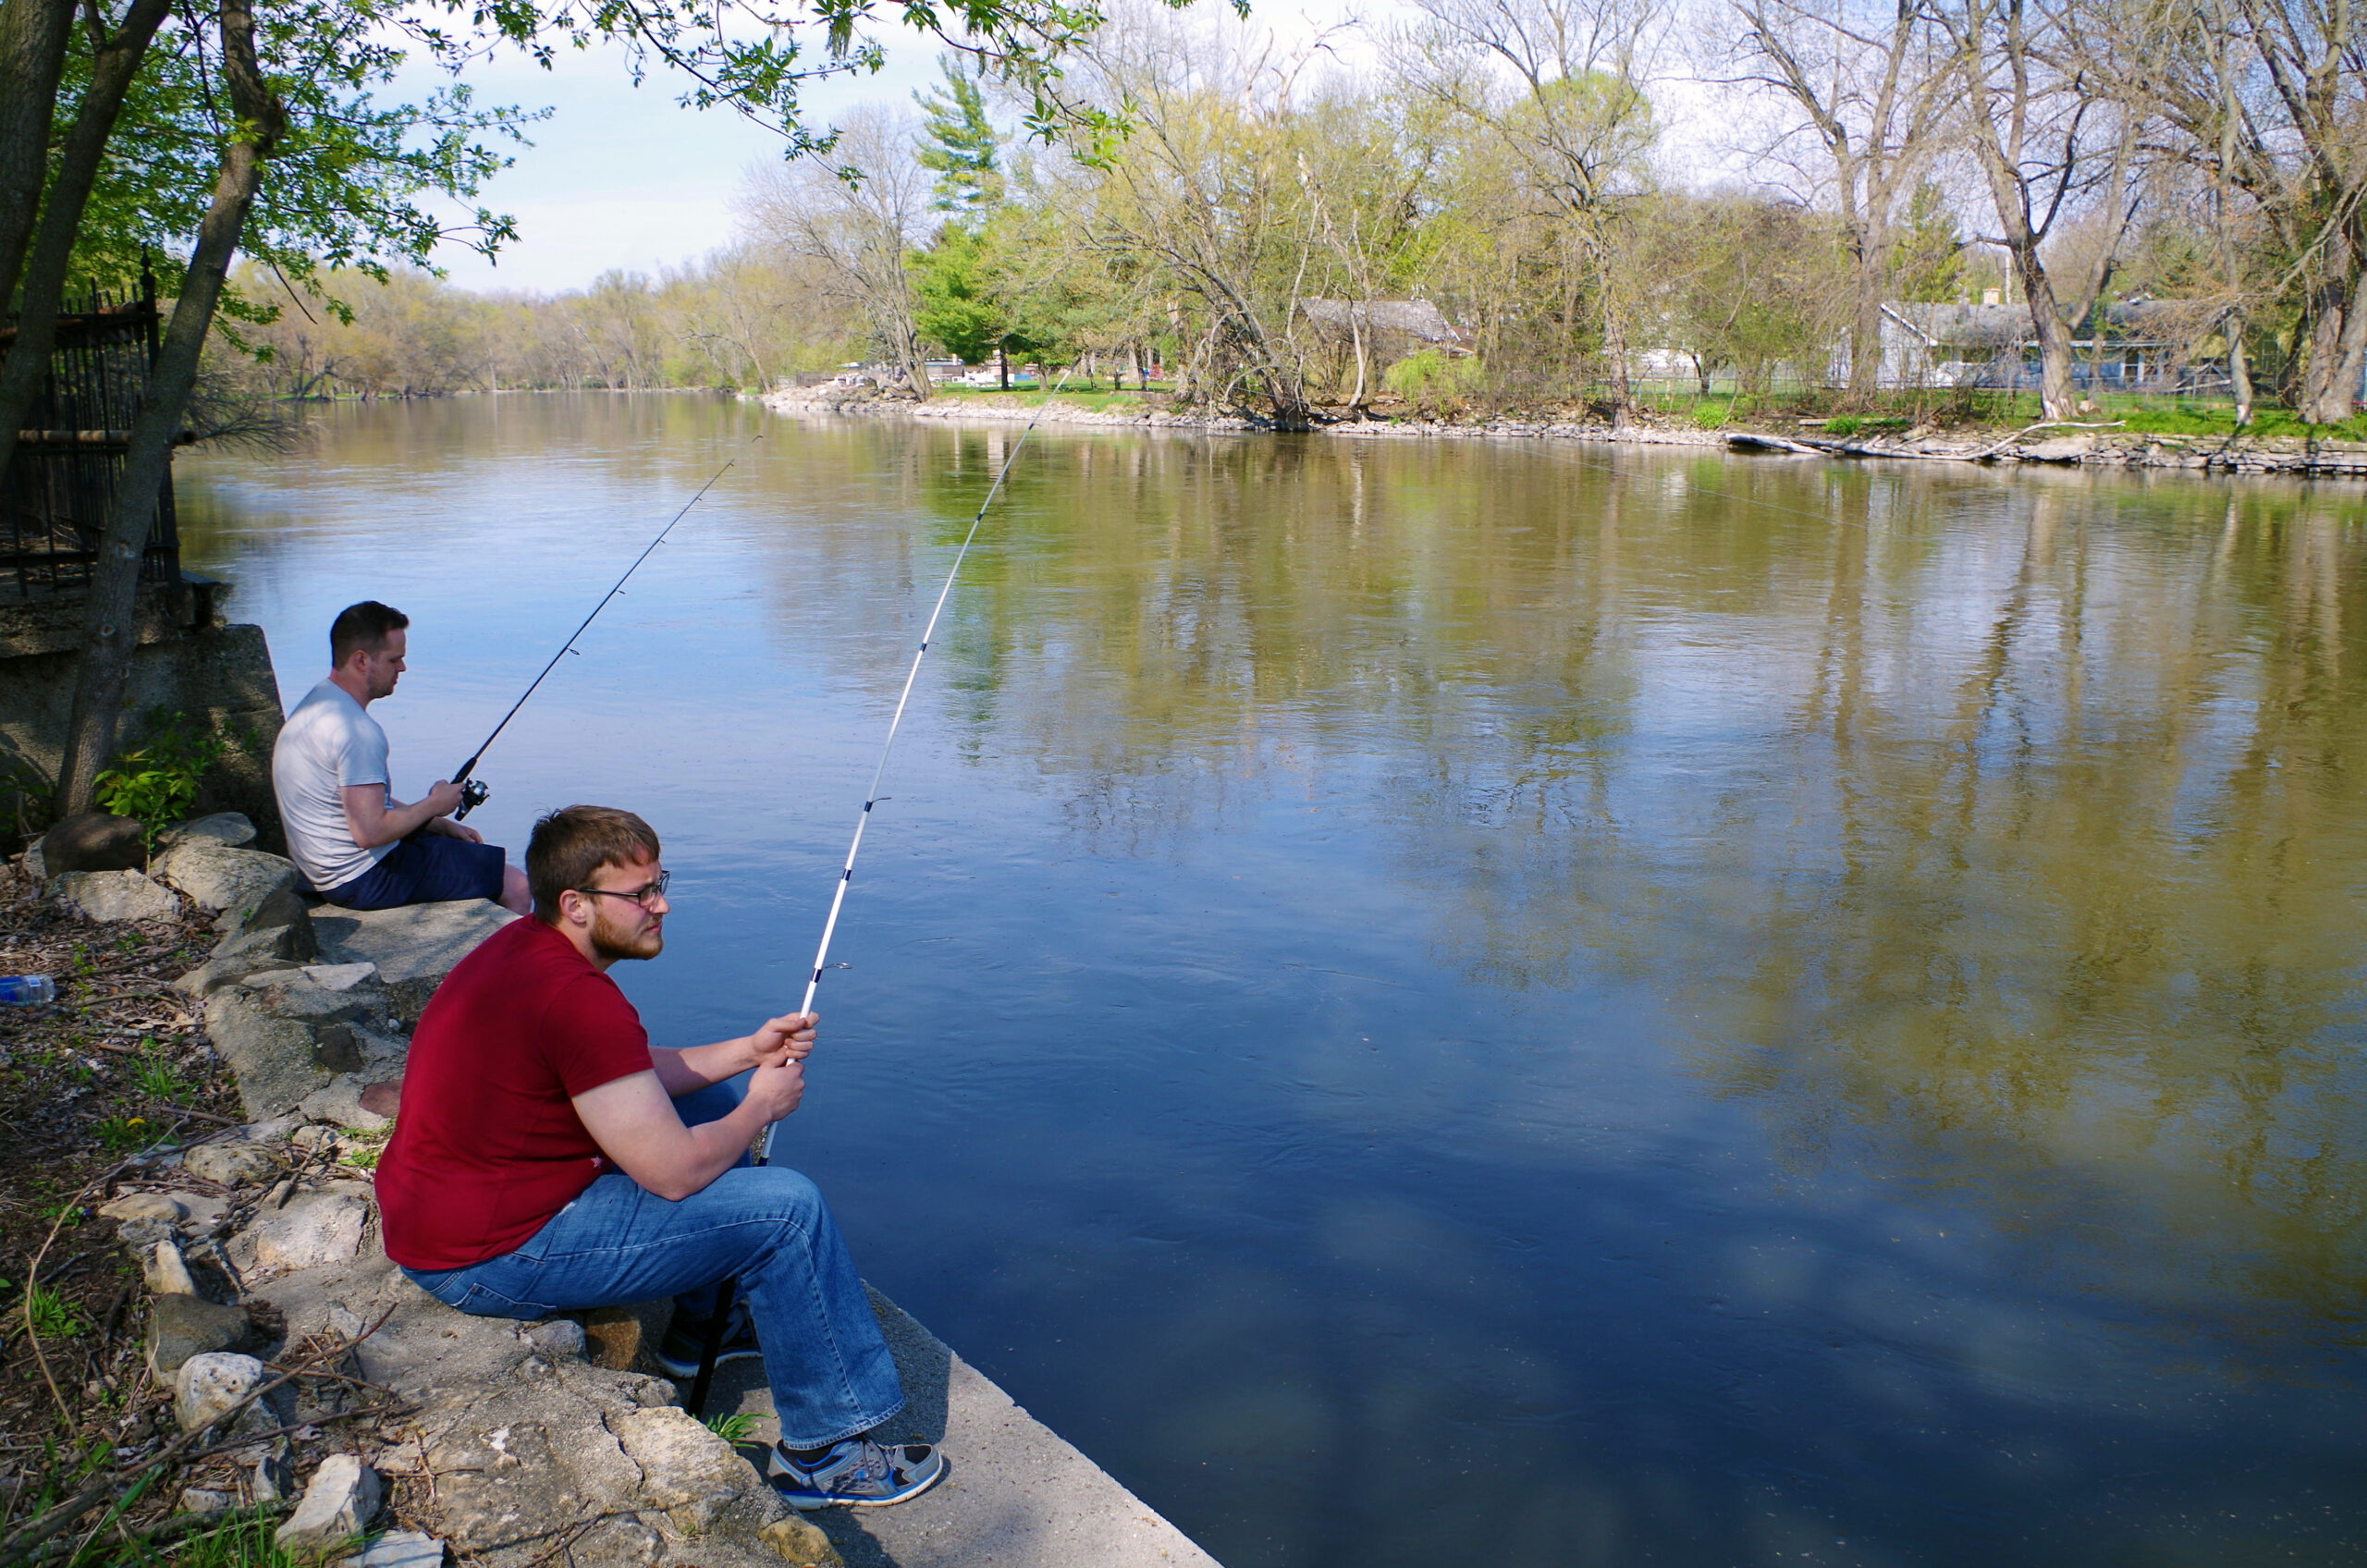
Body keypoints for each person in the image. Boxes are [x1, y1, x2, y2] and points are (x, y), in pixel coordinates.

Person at [374, 805, 943, 1510]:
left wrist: (746, 1052)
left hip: (451, 1216)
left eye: (659, 883)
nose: (661, 904)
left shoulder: (526, 951)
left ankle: (703, 1328)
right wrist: (760, 1106)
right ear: (576, 905)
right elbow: (673, 1173)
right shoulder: (576, 998)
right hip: (489, 1257)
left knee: (706, 1104)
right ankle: (828, 1455)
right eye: (639, 894)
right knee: (788, 1212)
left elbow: (624, 1071)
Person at [270, 601, 530, 914]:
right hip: (363, 877)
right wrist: (434, 804)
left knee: (470, 852)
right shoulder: (356, 731)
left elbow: (361, 805)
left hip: (326, 868)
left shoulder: (316, 705)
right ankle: (511, 964)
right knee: (517, 885)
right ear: (362, 660)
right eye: (395, 660)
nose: (402, 668)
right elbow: (369, 832)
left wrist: (436, 823)